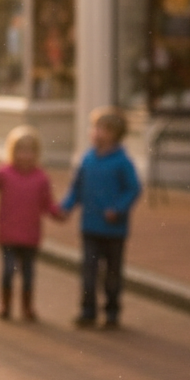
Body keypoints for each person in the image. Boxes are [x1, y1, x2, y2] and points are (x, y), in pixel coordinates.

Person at [59, 106, 143, 329]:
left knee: (112, 274)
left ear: (115, 134)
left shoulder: (122, 162)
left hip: (114, 229)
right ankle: (88, 311)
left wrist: (118, 208)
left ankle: (112, 311)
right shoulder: (87, 160)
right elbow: (77, 188)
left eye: (102, 129)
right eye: (95, 128)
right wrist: (65, 207)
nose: (96, 133)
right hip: (90, 227)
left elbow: (133, 189)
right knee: (89, 272)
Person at [0, 126, 64, 321]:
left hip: (30, 236)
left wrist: (60, 213)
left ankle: (27, 307)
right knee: (8, 271)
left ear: (36, 154)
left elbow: (48, 205)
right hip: (8, 235)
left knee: (28, 274)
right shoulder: (4, 173)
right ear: (12, 152)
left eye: (30, 151)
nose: (25, 156)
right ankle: (5, 305)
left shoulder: (41, 178)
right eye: (20, 151)